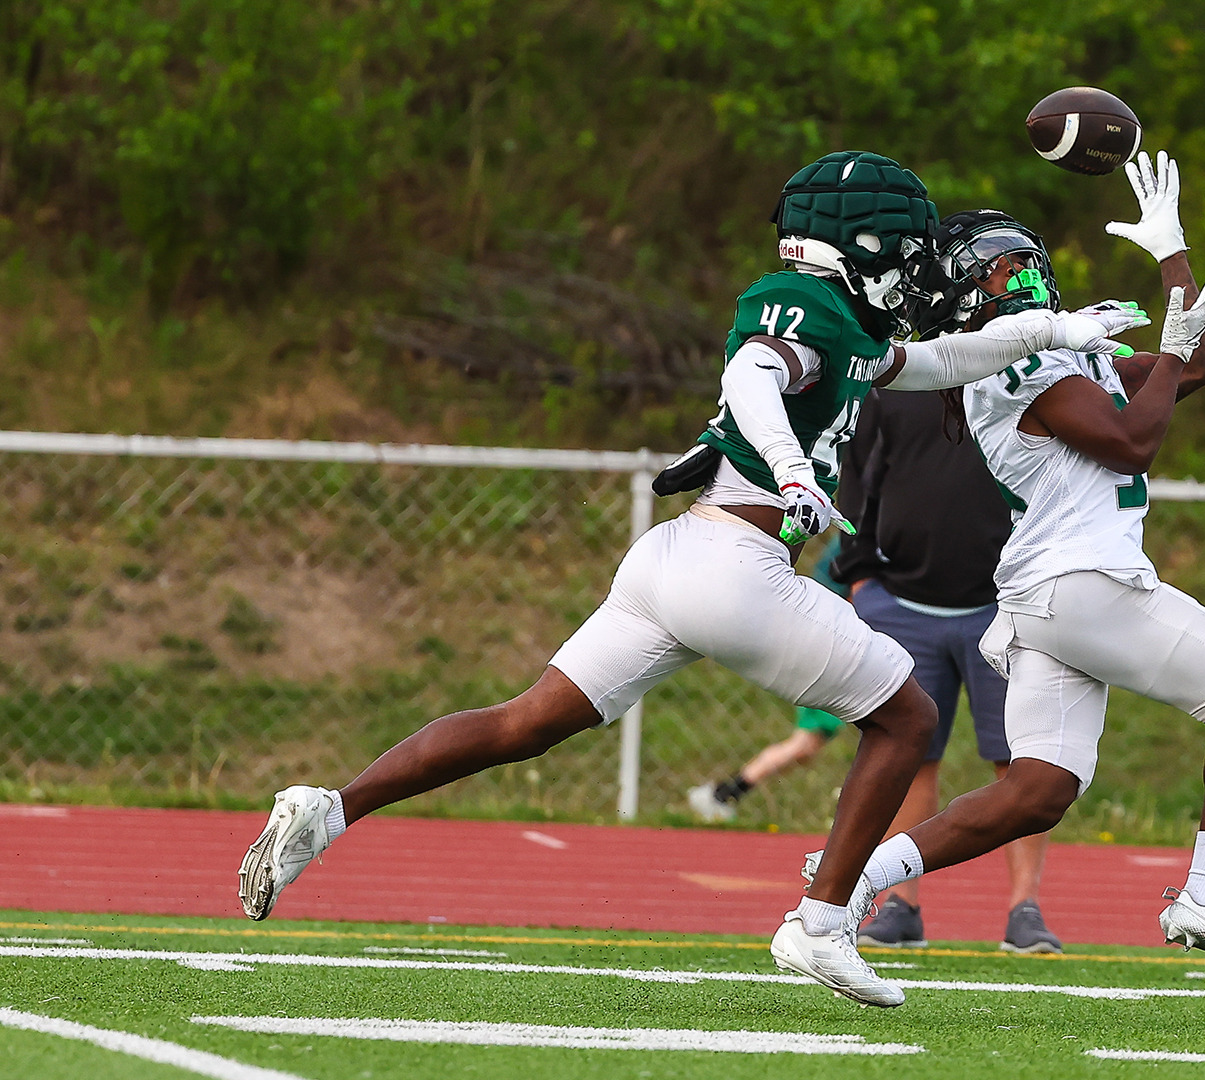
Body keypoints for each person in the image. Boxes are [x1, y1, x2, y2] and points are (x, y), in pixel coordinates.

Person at [235, 150, 1148, 1009]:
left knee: (526, 720)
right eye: (904, 248)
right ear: (860, 244)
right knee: (906, 717)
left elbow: (943, 360)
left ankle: (331, 807)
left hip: (673, 558)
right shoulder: (801, 306)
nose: (914, 267)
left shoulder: (844, 326)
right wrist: (792, 470)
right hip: (735, 563)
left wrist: (1061, 329)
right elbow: (756, 371)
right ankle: (823, 923)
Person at [811, 153, 1205, 983]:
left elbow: (1198, 367)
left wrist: (1171, 252)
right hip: (1083, 584)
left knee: (1036, 789)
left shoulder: (1062, 352)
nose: (1026, 272)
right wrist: (1172, 351)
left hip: (1042, 595)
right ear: (966, 290)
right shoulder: (1011, 360)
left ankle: (853, 881)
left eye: (1028, 258)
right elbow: (1130, 438)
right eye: (1004, 266)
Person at [833, 388, 1061, 954]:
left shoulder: (1023, 377)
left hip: (1006, 603)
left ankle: (1024, 908)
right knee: (907, 754)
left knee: (1021, 760)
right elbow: (855, 475)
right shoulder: (893, 382)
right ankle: (900, 903)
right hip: (902, 603)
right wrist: (861, 577)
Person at [686, 538, 852, 824]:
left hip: (831, 645)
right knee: (807, 742)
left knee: (807, 746)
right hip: (827, 646)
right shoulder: (857, 540)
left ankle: (726, 793)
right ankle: (723, 794)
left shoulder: (858, 536)